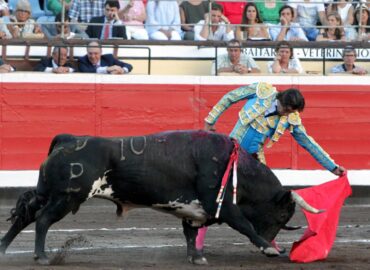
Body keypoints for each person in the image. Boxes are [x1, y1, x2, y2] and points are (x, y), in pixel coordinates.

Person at [196, 82, 346, 262]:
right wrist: (209, 121)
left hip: (254, 160)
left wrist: (333, 167)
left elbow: (308, 143)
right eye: (287, 109)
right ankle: (197, 243)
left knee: (268, 201)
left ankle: (269, 241)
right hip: (229, 152)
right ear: (281, 99)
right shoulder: (262, 91)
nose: (287, 114)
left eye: (291, 112)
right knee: (215, 196)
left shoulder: (291, 118)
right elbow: (230, 97)